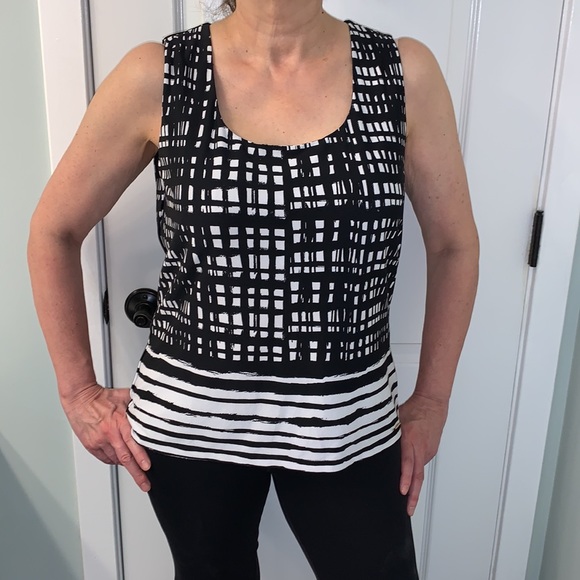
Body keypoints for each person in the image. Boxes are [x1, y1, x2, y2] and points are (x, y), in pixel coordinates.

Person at [28, 0, 479, 578]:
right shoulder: (159, 75)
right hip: (191, 430)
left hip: (349, 425)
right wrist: (77, 392)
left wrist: (433, 401)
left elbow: (454, 246)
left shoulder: (402, 73)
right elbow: (54, 230)